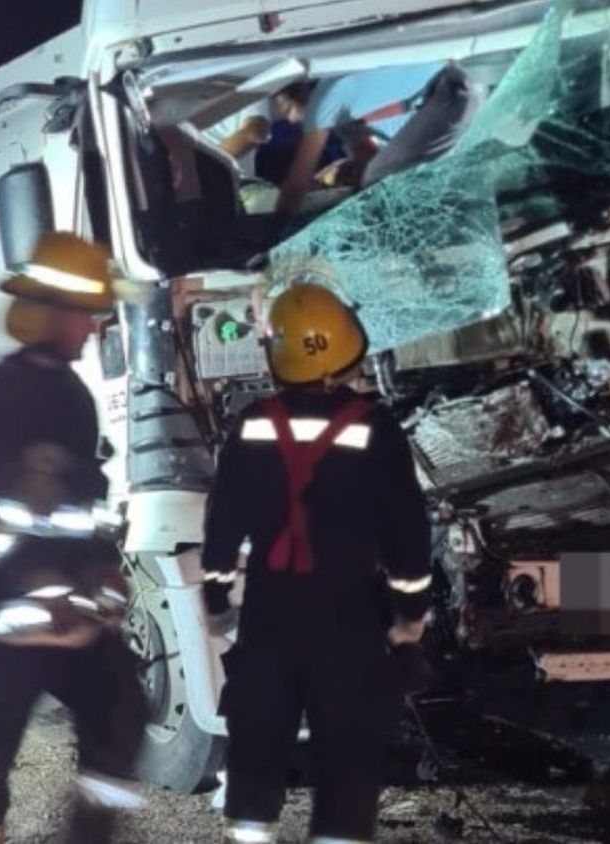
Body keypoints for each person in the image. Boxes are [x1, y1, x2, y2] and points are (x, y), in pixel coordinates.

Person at [0, 231, 148, 844]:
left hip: (59, 608)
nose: (91, 327)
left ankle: (90, 837)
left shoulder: (67, 394)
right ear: (52, 312)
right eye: (85, 314)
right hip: (1, 609)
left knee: (118, 713)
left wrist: (102, 566)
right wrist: (40, 582)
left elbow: (76, 503)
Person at [201, 282, 434, 843]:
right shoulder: (375, 428)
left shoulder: (251, 423)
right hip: (348, 617)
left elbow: (222, 520)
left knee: (257, 747)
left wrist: (216, 593)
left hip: (269, 614)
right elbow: (407, 529)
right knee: (347, 759)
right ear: (342, 354)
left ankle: (251, 833)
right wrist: (409, 614)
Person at [274, 60, 483, 214]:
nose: (290, 122)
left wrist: (275, 228)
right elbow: (366, 156)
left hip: (450, 94)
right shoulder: (341, 118)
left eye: (286, 113)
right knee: (380, 180)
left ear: (295, 98)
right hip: (458, 89)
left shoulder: (321, 105)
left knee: (379, 183)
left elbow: (297, 181)